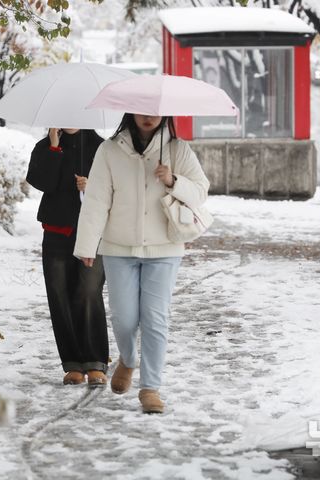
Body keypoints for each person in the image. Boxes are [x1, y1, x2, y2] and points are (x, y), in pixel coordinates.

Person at [73, 114, 210, 413]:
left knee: (155, 318)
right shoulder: (109, 150)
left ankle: (150, 388)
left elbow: (201, 191)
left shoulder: (177, 149)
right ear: (130, 113)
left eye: (154, 111)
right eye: (142, 110)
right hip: (118, 247)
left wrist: (173, 180)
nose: (149, 117)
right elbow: (96, 200)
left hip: (164, 248)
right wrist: (87, 245)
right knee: (123, 318)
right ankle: (128, 359)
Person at [26, 128, 109, 387]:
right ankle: (72, 363)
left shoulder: (102, 147)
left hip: (93, 234)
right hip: (57, 233)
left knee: (88, 291)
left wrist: (92, 186)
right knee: (59, 295)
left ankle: (95, 362)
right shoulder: (45, 147)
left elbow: (116, 188)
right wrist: (54, 148)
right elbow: (43, 183)